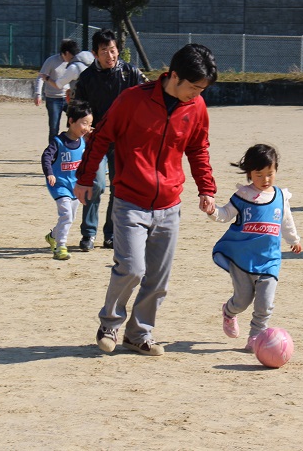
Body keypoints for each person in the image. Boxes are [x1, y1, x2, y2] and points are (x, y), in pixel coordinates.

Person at [75, 43, 218, 357]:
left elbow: (198, 149)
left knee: (158, 278)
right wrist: (85, 178)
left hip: (169, 205)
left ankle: (139, 334)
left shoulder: (196, 107)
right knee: (132, 269)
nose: (196, 94)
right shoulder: (132, 100)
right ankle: (109, 325)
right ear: (174, 76)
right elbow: (102, 137)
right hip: (130, 202)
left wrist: (206, 188)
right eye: (193, 87)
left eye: (202, 89)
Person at [208, 144, 302, 351]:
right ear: (250, 173)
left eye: (270, 173)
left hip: (270, 260)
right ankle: (229, 312)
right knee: (242, 301)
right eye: (259, 175)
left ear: (276, 170)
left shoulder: (280, 196)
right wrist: (212, 211)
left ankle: (256, 336)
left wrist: (293, 240)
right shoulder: (243, 196)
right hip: (243, 260)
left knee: (265, 303)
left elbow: (286, 221)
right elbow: (225, 214)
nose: (265, 180)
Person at [71, 29, 148, 252]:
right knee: (95, 184)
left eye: (113, 50)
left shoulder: (131, 73)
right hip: (96, 140)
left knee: (119, 187)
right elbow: (76, 108)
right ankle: (88, 233)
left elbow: (148, 97)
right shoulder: (86, 78)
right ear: (95, 53)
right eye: (104, 51)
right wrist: (85, 129)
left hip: (123, 141)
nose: (110, 56)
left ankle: (111, 233)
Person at [41, 100, 93, 261]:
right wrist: (49, 173)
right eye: (83, 123)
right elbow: (46, 157)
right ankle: (60, 247)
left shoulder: (83, 141)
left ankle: (52, 237)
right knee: (67, 216)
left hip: (75, 187)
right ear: (71, 121)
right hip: (59, 185)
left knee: (70, 216)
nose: (86, 127)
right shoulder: (58, 142)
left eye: (89, 124)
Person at [35, 38, 80, 143]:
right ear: (66, 53)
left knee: (77, 121)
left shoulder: (75, 63)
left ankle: (73, 146)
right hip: (53, 99)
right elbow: (41, 76)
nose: (73, 58)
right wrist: (38, 94)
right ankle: (53, 153)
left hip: (69, 98)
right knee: (54, 128)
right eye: (72, 56)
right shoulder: (51, 61)